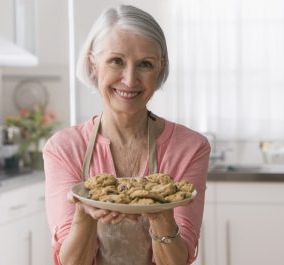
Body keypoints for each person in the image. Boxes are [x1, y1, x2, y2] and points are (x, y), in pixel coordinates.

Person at [43, 4, 210, 265]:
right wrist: (84, 214)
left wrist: (161, 214)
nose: (130, 80)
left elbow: (178, 262)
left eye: (145, 64)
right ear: (93, 63)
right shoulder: (64, 148)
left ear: (159, 68)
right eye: (116, 61)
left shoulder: (190, 148)